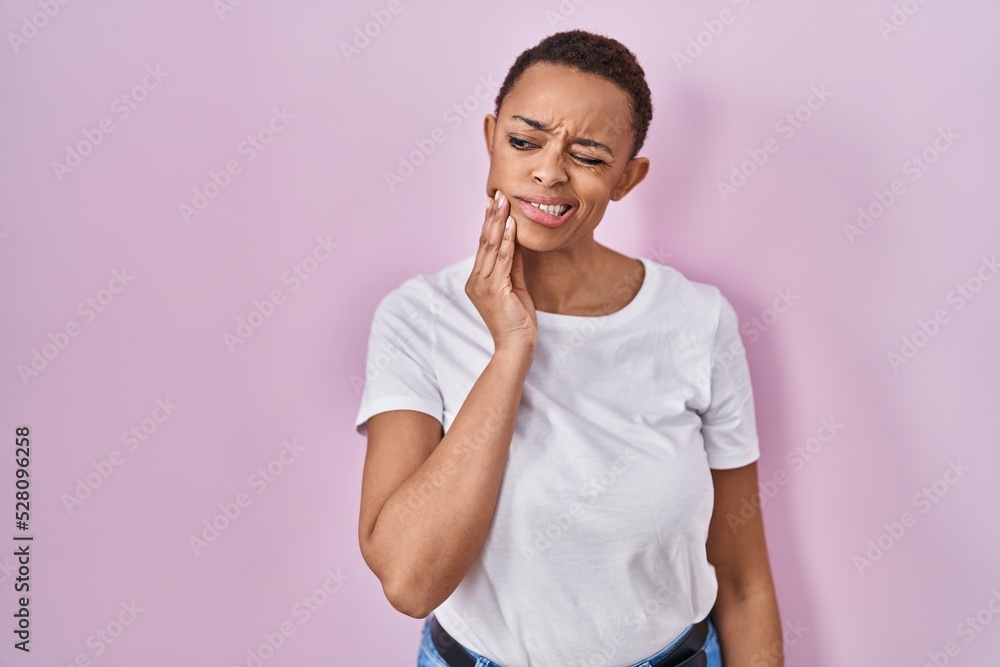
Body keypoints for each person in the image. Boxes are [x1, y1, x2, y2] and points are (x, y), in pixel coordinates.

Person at [355, 29, 783, 667]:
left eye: (588, 155)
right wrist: (510, 349)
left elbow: (744, 583)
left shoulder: (697, 319)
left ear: (627, 179)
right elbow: (411, 581)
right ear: (490, 139)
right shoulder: (419, 317)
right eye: (524, 141)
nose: (549, 171)